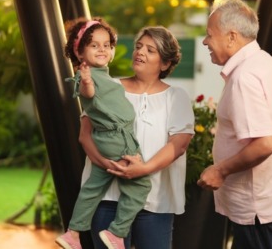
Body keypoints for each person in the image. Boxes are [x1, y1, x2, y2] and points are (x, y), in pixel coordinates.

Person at [79, 26, 195, 249]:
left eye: (150, 50)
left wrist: (143, 169)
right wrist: (106, 165)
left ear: (165, 63)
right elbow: (85, 136)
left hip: (156, 202)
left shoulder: (176, 97)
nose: (140, 52)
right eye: (139, 47)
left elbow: (179, 144)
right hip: (107, 198)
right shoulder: (106, 86)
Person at [197, 0, 272, 249]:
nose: (205, 42)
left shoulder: (244, 77)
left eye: (210, 35)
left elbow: (265, 143)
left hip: (257, 204)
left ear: (231, 37)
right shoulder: (269, 64)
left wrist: (219, 170)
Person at [56, 17, 151, 249]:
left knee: (92, 188)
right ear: (79, 52)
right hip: (118, 140)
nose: (102, 49)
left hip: (106, 141)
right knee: (141, 186)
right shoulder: (87, 76)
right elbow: (88, 93)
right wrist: (86, 80)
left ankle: (73, 233)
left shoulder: (104, 76)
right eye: (94, 45)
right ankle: (117, 233)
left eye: (106, 45)